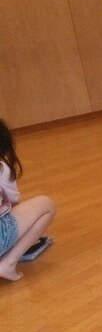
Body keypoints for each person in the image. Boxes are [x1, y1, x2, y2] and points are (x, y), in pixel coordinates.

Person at [0, 119, 56, 282]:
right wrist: (27, 233)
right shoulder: (2, 167)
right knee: (47, 204)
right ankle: (8, 264)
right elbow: (15, 203)